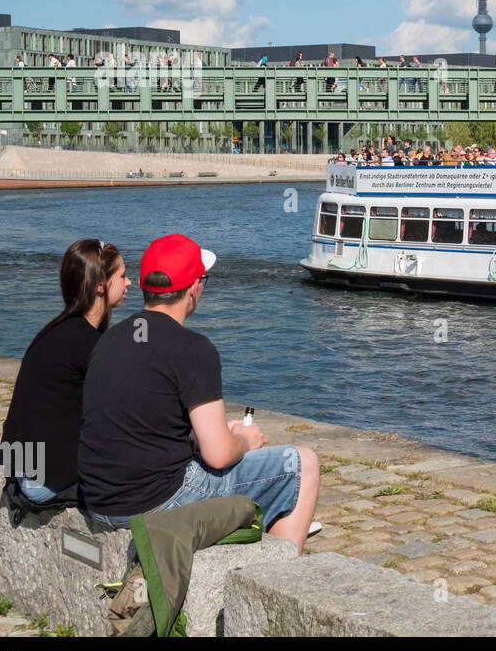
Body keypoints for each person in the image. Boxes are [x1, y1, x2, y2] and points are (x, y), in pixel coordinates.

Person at [78, 234, 319, 553]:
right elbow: (218, 455)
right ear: (194, 288)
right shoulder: (193, 349)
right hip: (154, 503)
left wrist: (215, 433)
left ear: (145, 285)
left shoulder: (110, 339)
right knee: (302, 463)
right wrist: (244, 441)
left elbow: (141, 422)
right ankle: (276, 574)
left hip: (99, 499)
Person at [0, 240, 131, 504]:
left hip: (24, 471)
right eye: (123, 276)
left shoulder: (55, 332)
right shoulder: (88, 343)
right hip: (46, 482)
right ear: (100, 285)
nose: (129, 283)